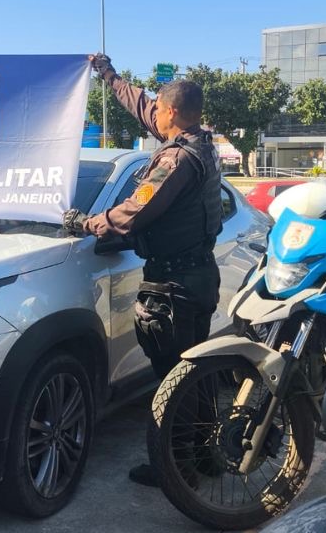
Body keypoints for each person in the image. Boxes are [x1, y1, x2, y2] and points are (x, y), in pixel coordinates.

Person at [63, 54, 223, 486]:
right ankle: (206, 455)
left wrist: (86, 223)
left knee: (174, 378)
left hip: (174, 284)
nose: (153, 113)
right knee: (194, 371)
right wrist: (110, 77)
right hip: (197, 275)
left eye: (159, 108)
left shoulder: (174, 161)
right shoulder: (199, 143)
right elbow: (141, 106)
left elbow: (135, 212)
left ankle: (174, 466)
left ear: (170, 112)